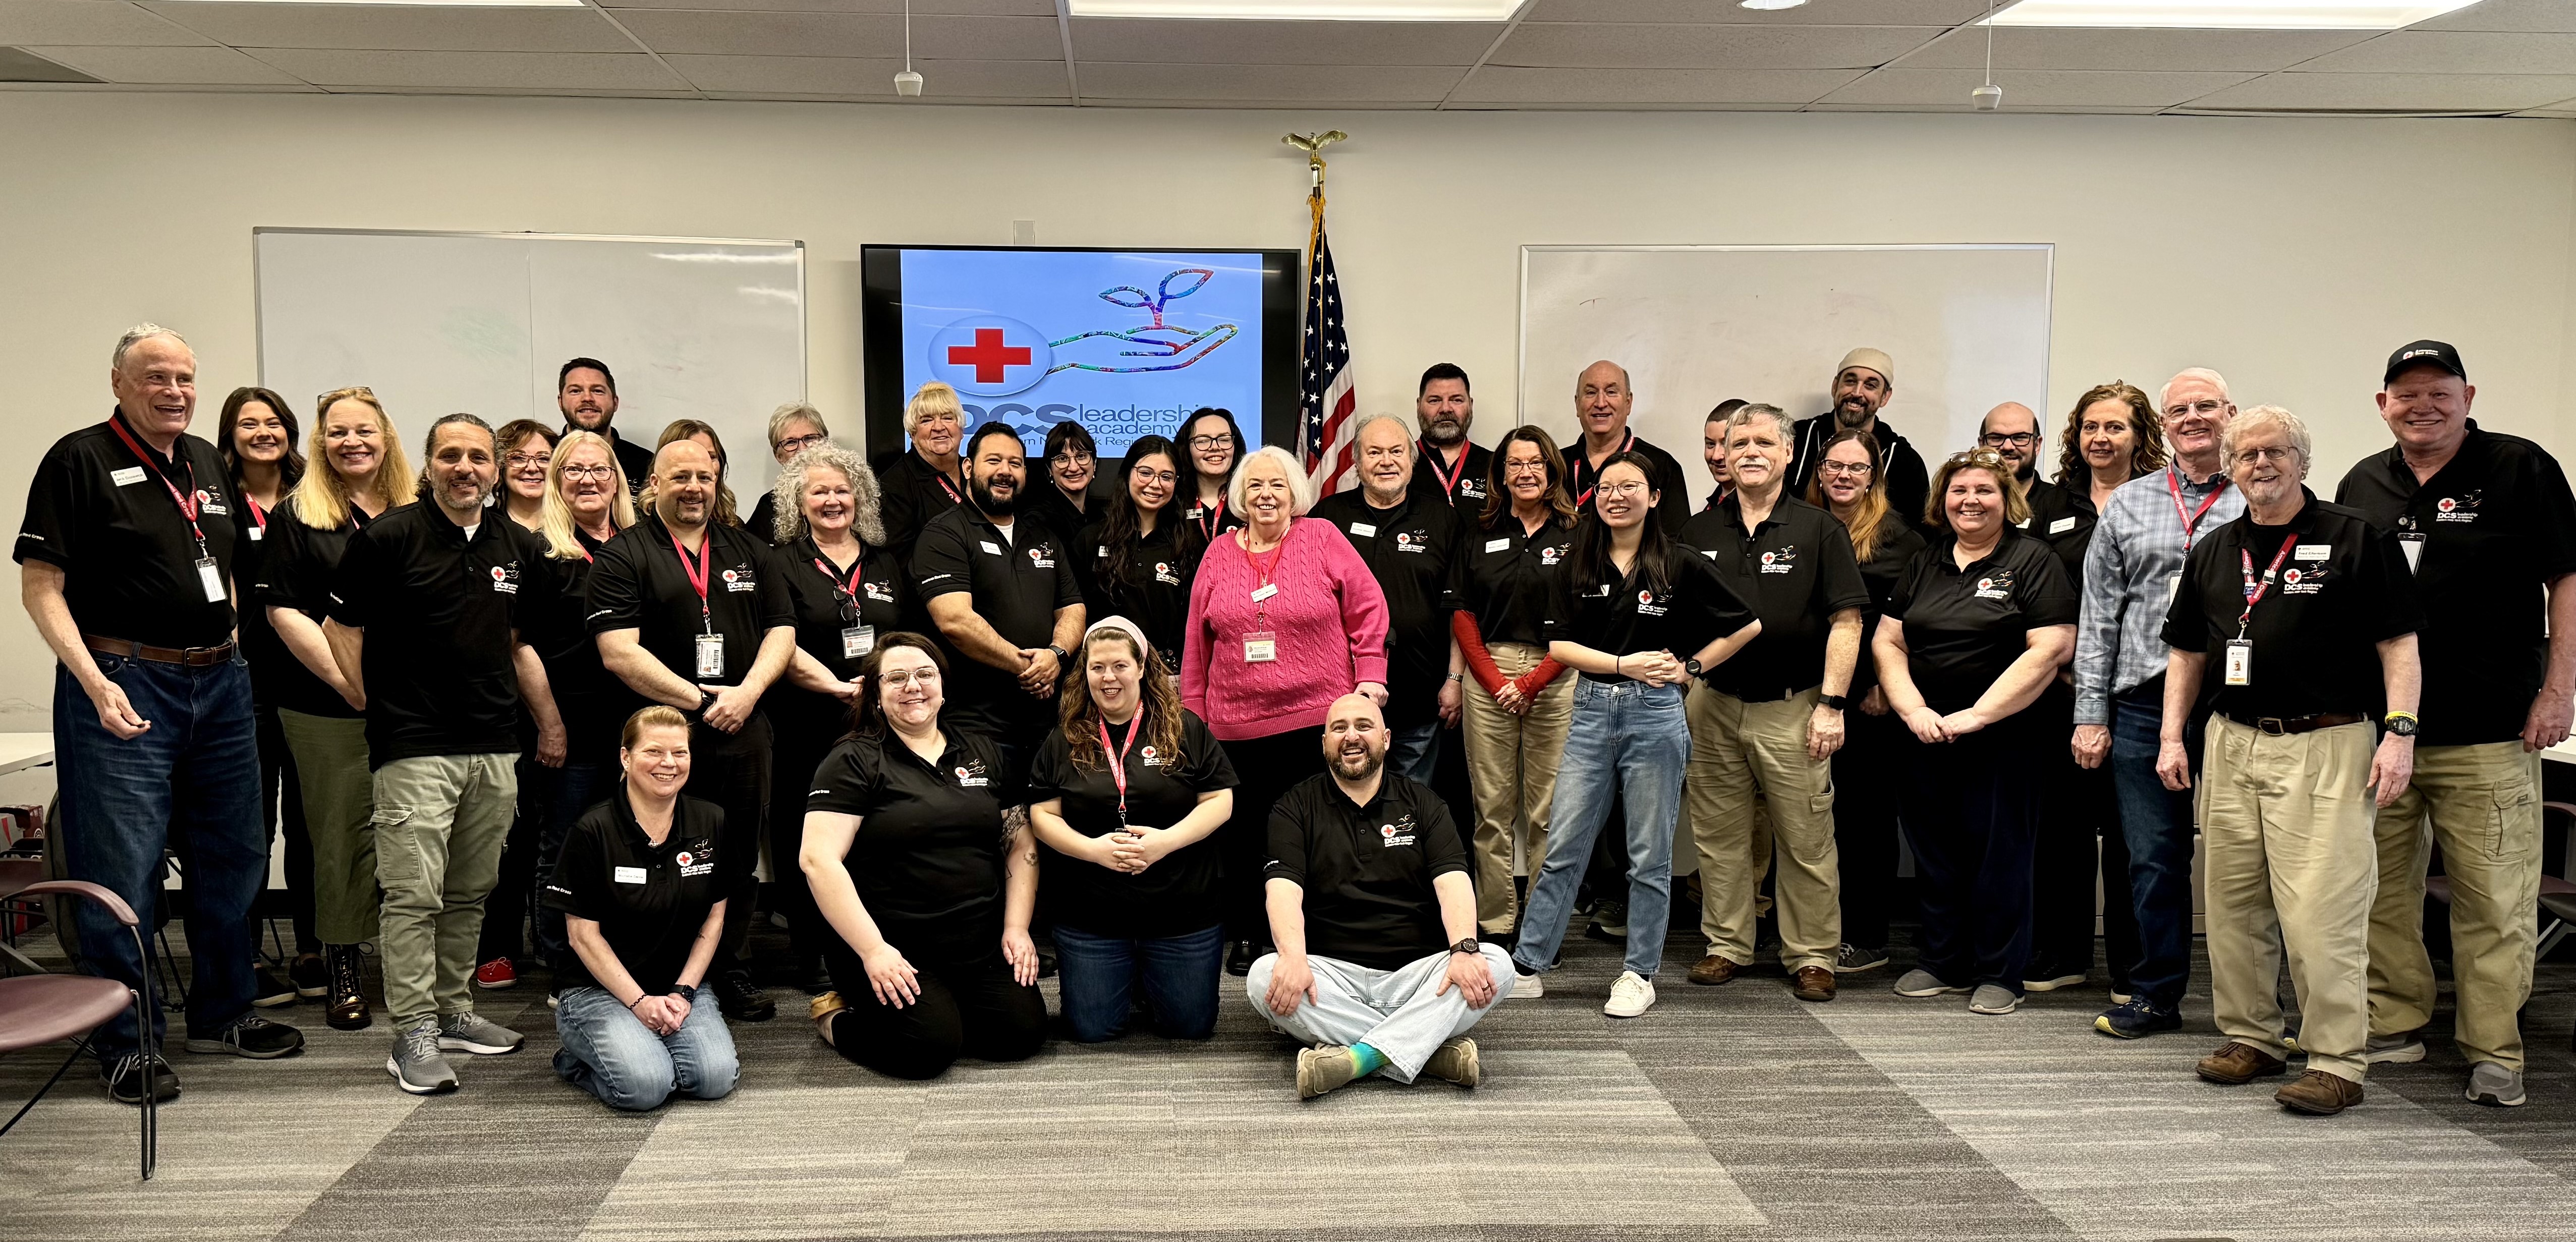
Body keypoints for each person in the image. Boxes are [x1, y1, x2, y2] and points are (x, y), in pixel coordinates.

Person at [19, 325, 307, 1103]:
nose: (174, 391)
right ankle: (126, 1040)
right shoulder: (78, 459)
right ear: (119, 381)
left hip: (220, 683)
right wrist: (92, 681)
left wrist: (232, 641)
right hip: (124, 678)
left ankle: (224, 1011)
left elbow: (227, 567)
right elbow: (41, 586)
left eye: (184, 377)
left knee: (235, 852)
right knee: (124, 866)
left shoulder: (206, 461)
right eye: (155, 376)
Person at [2160, 405, 2423, 1117]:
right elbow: (2186, 651)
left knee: (2321, 911)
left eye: (2275, 451)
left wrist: (2399, 733)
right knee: (2232, 902)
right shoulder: (2215, 548)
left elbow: (2399, 644)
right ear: (2230, 467)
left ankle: (2335, 1059)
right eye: (2246, 454)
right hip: (2231, 741)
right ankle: (2252, 1035)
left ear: (2302, 461)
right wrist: (2172, 736)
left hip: (2326, 742)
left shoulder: (2356, 536)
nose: (2260, 464)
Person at [2338, 341, 2576, 1109]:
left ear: (2467, 396)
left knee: (2494, 899)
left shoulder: (2520, 467)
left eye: (2438, 391)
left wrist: (2559, 690)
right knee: (2378, 891)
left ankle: (2494, 1049)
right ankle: (2394, 1021)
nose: (2423, 406)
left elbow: (2566, 579)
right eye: (2405, 393)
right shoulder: (2362, 482)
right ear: (2383, 404)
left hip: (2491, 728)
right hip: (2384, 735)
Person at [328, 413, 557, 1093]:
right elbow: (340, 625)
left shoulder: (520, 545)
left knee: (469, 891)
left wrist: (546, 722)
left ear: (496, 468)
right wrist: (369, 698)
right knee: (413, 895)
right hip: (414, 747)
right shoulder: (388, 537)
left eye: (478, 457)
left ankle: (454, 1010)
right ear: (428, 465)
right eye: (451, 455)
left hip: (494, 745)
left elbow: (517, 642)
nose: (466, 468)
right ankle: (414, 1032)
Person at [1514, 453, 1759, 1017]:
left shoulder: (1680, 561)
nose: (1616, 496)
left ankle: (1638, 973)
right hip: (1591, 709)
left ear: (1653, 497)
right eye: (1606, 487)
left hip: (1655, 714)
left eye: (1630, 486)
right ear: (1594, 497)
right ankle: (1528, 965)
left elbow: (1747, 624)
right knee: (1563, 846)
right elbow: (1560, 647)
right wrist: (1625, 665)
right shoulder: (1577, 562)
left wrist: (1691, 668)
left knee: (1648, 854)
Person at [590, 437, 797, 1023]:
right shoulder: (623, 554)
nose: (694, 488)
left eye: (704, 477)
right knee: (661, 849)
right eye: (680, 476)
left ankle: (730, 966)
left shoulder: (749, 549)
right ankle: (660, 967)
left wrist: (748, 693)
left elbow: (782, 629)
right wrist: (700, 699)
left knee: (736, 853)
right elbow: (618, 652)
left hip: (743, 723)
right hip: (662, 732)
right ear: (654, 483)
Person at [1873, 447, 2076, 1018]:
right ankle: (1944, 961)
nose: (1970, 501)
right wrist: (1912, 709)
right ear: (1943, 500)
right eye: (1959, 490)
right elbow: (1888, 640)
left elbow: (2052, 647)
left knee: (2000, 854)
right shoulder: (1927, 559)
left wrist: (1980, 714)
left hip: (2005, 733)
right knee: (1936, 850)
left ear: (2006, 500)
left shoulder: (2033, 559)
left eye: (1985, 490)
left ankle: (2000, 971)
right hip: (1926, 731)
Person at [2073, 368, 2244, 1040]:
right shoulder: (2129, 502)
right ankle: (2154, 995)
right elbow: (2099, 617)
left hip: (2236, 704)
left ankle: (2254, 1011)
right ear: (2164, 425)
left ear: (2230, 412)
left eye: (2207, 406)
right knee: (2153, 857)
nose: (2193, 417)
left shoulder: (2260, 494)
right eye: (2180, 410)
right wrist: (2091, 714)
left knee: (2246, 860)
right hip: (2143, 704)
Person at [1676, 404, 1868, 1000]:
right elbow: (1677, 617)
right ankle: (1727, 943)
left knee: (1805, 837)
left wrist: (1832, 704)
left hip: (1794, 706)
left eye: (1764, 442)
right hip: (1713, 703)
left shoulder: (1820, 529)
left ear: (1788, 453)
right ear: (1724, 455)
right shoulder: (1696, 532)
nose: (1750, 452)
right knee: (1719, 834)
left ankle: (1811, 953)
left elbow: (1847, 621)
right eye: (1739, 443)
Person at [1182, 445, 1391, 975]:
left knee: (1318, 830)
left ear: (1294, 492)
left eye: (1277, 484)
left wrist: (1371, 674)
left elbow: (1369, 606)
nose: (1266, 495)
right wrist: (1193, 714)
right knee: (1245, 835)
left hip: (1315, 718)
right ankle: (1251, 931)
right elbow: (1196, 643)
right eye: (1255, 485)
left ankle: (1316, 932)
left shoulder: (1321, 537)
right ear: (1240, 496)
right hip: (1235, 725)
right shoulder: (1218, 553)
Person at [800, 633, 1046, 1079]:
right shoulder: (853, 760)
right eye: (896, 678)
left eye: (924, 674)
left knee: (1020, 1035)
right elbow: (818, 861)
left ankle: (943, 1006)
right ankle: (834, 1018)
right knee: (928, 1051)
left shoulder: (981, 751)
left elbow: (1020, 842)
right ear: (875, 695)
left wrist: (1016, 927)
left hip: (976, 942)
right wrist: (874, 951)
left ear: (943, 687)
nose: (912, 686)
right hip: (890, 943)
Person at [1248, 694, 1513, 1099]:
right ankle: (1426, 1051)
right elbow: (1282, 891)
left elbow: (1454, 882)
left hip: (1418, 978)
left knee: (1496, 963)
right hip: (1332, 978)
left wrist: (1463, 949)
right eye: (1339, 728)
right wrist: (1295, 958)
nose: (1351, 736)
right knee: (1263, 976)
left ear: (1387, 739)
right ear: (1324, 743)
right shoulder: (1294, 807)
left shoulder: (1424, 803)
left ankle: (1358, 1058)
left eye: (1364, 726)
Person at [259, 388, 416, 1032]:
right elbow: (284, 610)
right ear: (321, 442)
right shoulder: (299, 514)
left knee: (416, 834)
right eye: (338, 431)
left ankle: (415, 970)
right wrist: (349, 683)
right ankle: (343, 965)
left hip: (414, 706)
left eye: (365, 430)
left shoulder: (417, 508)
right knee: (342, 838)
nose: (352, 441)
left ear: (387, 437)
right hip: (329, 707)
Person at [1992, 394, 2158, 998]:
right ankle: (2062, 953)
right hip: (2058, 691)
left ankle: (2134, 965)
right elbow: (2022, 588)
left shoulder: (2159, 500)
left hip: (2139, 691)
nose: (2101, 437)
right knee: (2061, 829)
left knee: (2133, 835)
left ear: (2140, 435)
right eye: (2090, 426)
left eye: (2115, 426)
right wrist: (2062, 667)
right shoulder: (2049, 505)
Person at [1029, 618, 1239, 1041]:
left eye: (1120, 666)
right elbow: (1042, 815)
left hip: (1180, 910)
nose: (1109, 678)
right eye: (1097, 667)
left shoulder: (1184, 727)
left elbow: (1220, 800)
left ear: (1141, 667)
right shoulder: (1065, 738)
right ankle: (1131, 973)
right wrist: (1093, 850)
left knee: (1189, 1027)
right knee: (1092, 1030)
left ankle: (1147, 975)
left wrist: (1165, 843)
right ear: (1085, 673)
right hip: (1093, 913)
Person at [543, 706, 741, 1111]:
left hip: (678, 984)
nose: (669, 763)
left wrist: (683, 992)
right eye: (654, 751)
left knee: (715, 1079)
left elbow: (714, 918)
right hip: (598, 989)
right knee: (645, 1088)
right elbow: (582, 936)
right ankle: (577, 1058)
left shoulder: (711, 820)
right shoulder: (592, 830)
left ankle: (645, 1048)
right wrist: (639, 1002)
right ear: (626, 757)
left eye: (680, 753)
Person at [767, 442, 906, 992]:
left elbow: (904, 636)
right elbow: (777, 641)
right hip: (806, 722)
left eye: (842, 490)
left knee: (875, 833)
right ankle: (813, 951)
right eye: (819, 491)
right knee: (806, 837)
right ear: (798, 502)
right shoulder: (779, 562)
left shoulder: (885, 561)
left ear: (860, 497)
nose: (832, 500)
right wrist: (835, 685)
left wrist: (883, 685)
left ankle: (872, 941)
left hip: (878, 724)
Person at [1447, 426, 1579, 946]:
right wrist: (1497, 680)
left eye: (1536, 463)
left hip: (1557, 672)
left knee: (1550, 812)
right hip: (1489, 674)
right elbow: (1462, 613)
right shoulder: (1478, 532)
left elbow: (1585, 618)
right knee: (1492, 810)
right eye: (1515, 463)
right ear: (1501, 474)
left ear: (1552, 471)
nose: (1526, 472)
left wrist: (1533, 682)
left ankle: (1542, 929)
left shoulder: (1578, 534)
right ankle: (1497, 923)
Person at [518, 430, 638, 998]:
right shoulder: (539, 551)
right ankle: (562, 961)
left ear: (617, 480)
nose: (588, 480)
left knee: (627, 841)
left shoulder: (640, 545)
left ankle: (617, 954)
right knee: (565, 845)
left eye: (600, 469)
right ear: (555, 481)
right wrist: (550, 725)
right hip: (569, 725)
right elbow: (519, 646)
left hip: (634, 725)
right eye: (573, 470)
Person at [1807, 429, 1926, 974]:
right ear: (1819, 470)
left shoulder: (1902, 540)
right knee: (1814, 816)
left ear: (1874, 476)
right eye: (1835, 465)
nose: (1844, 476)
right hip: (1810, 690)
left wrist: (1885, 682)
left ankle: (1866, 935)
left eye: (1857, 467)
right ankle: (1813, 930)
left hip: (1870, 700)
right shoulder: (1803, 523)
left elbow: (1913, 622)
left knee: (1865, 819)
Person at [914, 421, 1087, 780]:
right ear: (968, 468)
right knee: (989, 814)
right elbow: (955, 620)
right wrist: (1029, 667)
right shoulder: (944, 534)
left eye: (1015, 463)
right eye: (994, 461)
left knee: (1048, 811)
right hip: (975, 723)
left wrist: (1055, 656)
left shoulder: (1043, 536)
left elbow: (1073, 608)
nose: (1005, 471)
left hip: (1048, 720)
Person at [218, 385, 316, 1006]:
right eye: (249, 423)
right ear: (230, 434)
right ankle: (247, 953)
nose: (263, 432)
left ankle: (313, 947)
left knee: (312, 825)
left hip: (313, 681)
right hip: (244, 683)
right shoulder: (213, 498)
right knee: (248, 825)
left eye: (273, 421)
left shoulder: (316, 494)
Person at [1311, 415, 1463, 785]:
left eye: (1396, 452)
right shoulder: (1327, 518)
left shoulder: (1444, 520)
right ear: (1356, 462)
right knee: (1345, 797)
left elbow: (1461, 608)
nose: (1386, 461)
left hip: (1420, 694)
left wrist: (1455, 679)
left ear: (1412, 460)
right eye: (1374, 452)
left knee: (1410, 801)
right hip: (1342, 696)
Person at [475, 418, 559, 990]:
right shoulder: (485, 531)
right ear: (501, 468)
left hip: (568, 696)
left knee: (560, 830)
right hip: (501, 702)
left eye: (543, 457)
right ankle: (497, 944)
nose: (532, 467)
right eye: (519, 457)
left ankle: (556, 943)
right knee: (507, 830)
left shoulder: (572, 526)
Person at [1074, 434, 1195, 666]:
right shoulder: (1092, 539)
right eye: (1146, 473)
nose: (1156, 484)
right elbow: (1073, 612)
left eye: (1166, 477)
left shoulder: (1187, 544)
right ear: (1128, 473)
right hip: (1105, 672)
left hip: (1165, 676)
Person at [1785, 348, 1930, 530]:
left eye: (1870, 386)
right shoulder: (1794, 439)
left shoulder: (1904, 462)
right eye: (1850, 381)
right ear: (1835, 386)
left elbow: (1917, 533)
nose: (1857, 393)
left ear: (1885, 397)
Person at [1562, 361, 1691, 531]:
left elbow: (1675, 541)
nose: (1600, 403)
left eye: (1611, 392)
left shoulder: (1661, 465)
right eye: (1591, 393)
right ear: (1578, 404)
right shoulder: (1555, 465)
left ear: (1628, 403)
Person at [877, 381, 968, 560]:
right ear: (912, 434)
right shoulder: (894, 485)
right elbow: (897, 559)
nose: (939, 427)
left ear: (961, 429)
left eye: (948, 418)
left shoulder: (977, 472)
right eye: (927, 420)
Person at [557, 358, 653, 491]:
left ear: (615, 403)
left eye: (598, 391)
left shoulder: (646, 465)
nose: (587, 398)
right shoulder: (544, 459)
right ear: (561, 402)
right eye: (576, 391)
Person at [1410, 363, 1492, 518]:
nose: (1446, 409)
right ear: (1419, 406)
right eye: (1435, 401)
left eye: (1456, 400)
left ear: (1471, 405)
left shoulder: (1496, 466)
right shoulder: (1397, 465)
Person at [746, 402, 830, 542]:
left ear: (826, 444)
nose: (802, 450)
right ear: (779, 456)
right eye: (791, 442)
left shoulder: (850, 495)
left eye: (810, 438)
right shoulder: (769, 507)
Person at [1178, 407, 1250, 546]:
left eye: (1224, 439)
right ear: (1187, 449)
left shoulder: (1252, 500)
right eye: (1203, 441)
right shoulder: (1171, 502)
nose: (1215, 447)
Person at [1027, 421, 1105, 550]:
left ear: (1094, 464)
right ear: (1050, 469)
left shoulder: (1101, 518)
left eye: (1081, 456)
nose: (1073, 468)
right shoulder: (1038, 521)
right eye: (1062, 458)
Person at [652, 420, 743, 529]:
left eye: (711, 457)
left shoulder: (733, 524)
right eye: (691, 457)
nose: (705, 465)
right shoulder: (641, 525)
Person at [1699, 399, 1748, 512]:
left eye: (1726, 444)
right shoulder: (1714, 503)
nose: (1716, 456)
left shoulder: (1759, 510)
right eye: (1711, 444)